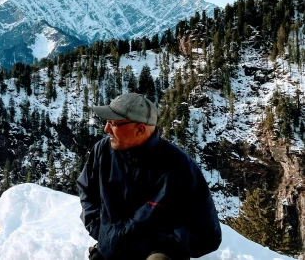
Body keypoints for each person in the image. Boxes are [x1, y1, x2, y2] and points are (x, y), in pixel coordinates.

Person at [77, 93, 222, 260]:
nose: (106, 129)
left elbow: (208, 235)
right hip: (110, 251)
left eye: (114, 123)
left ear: (140, 129)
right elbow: (87, 191)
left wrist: (163, 247)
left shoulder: (180, 167)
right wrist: (102, 232)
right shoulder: (102, 151)